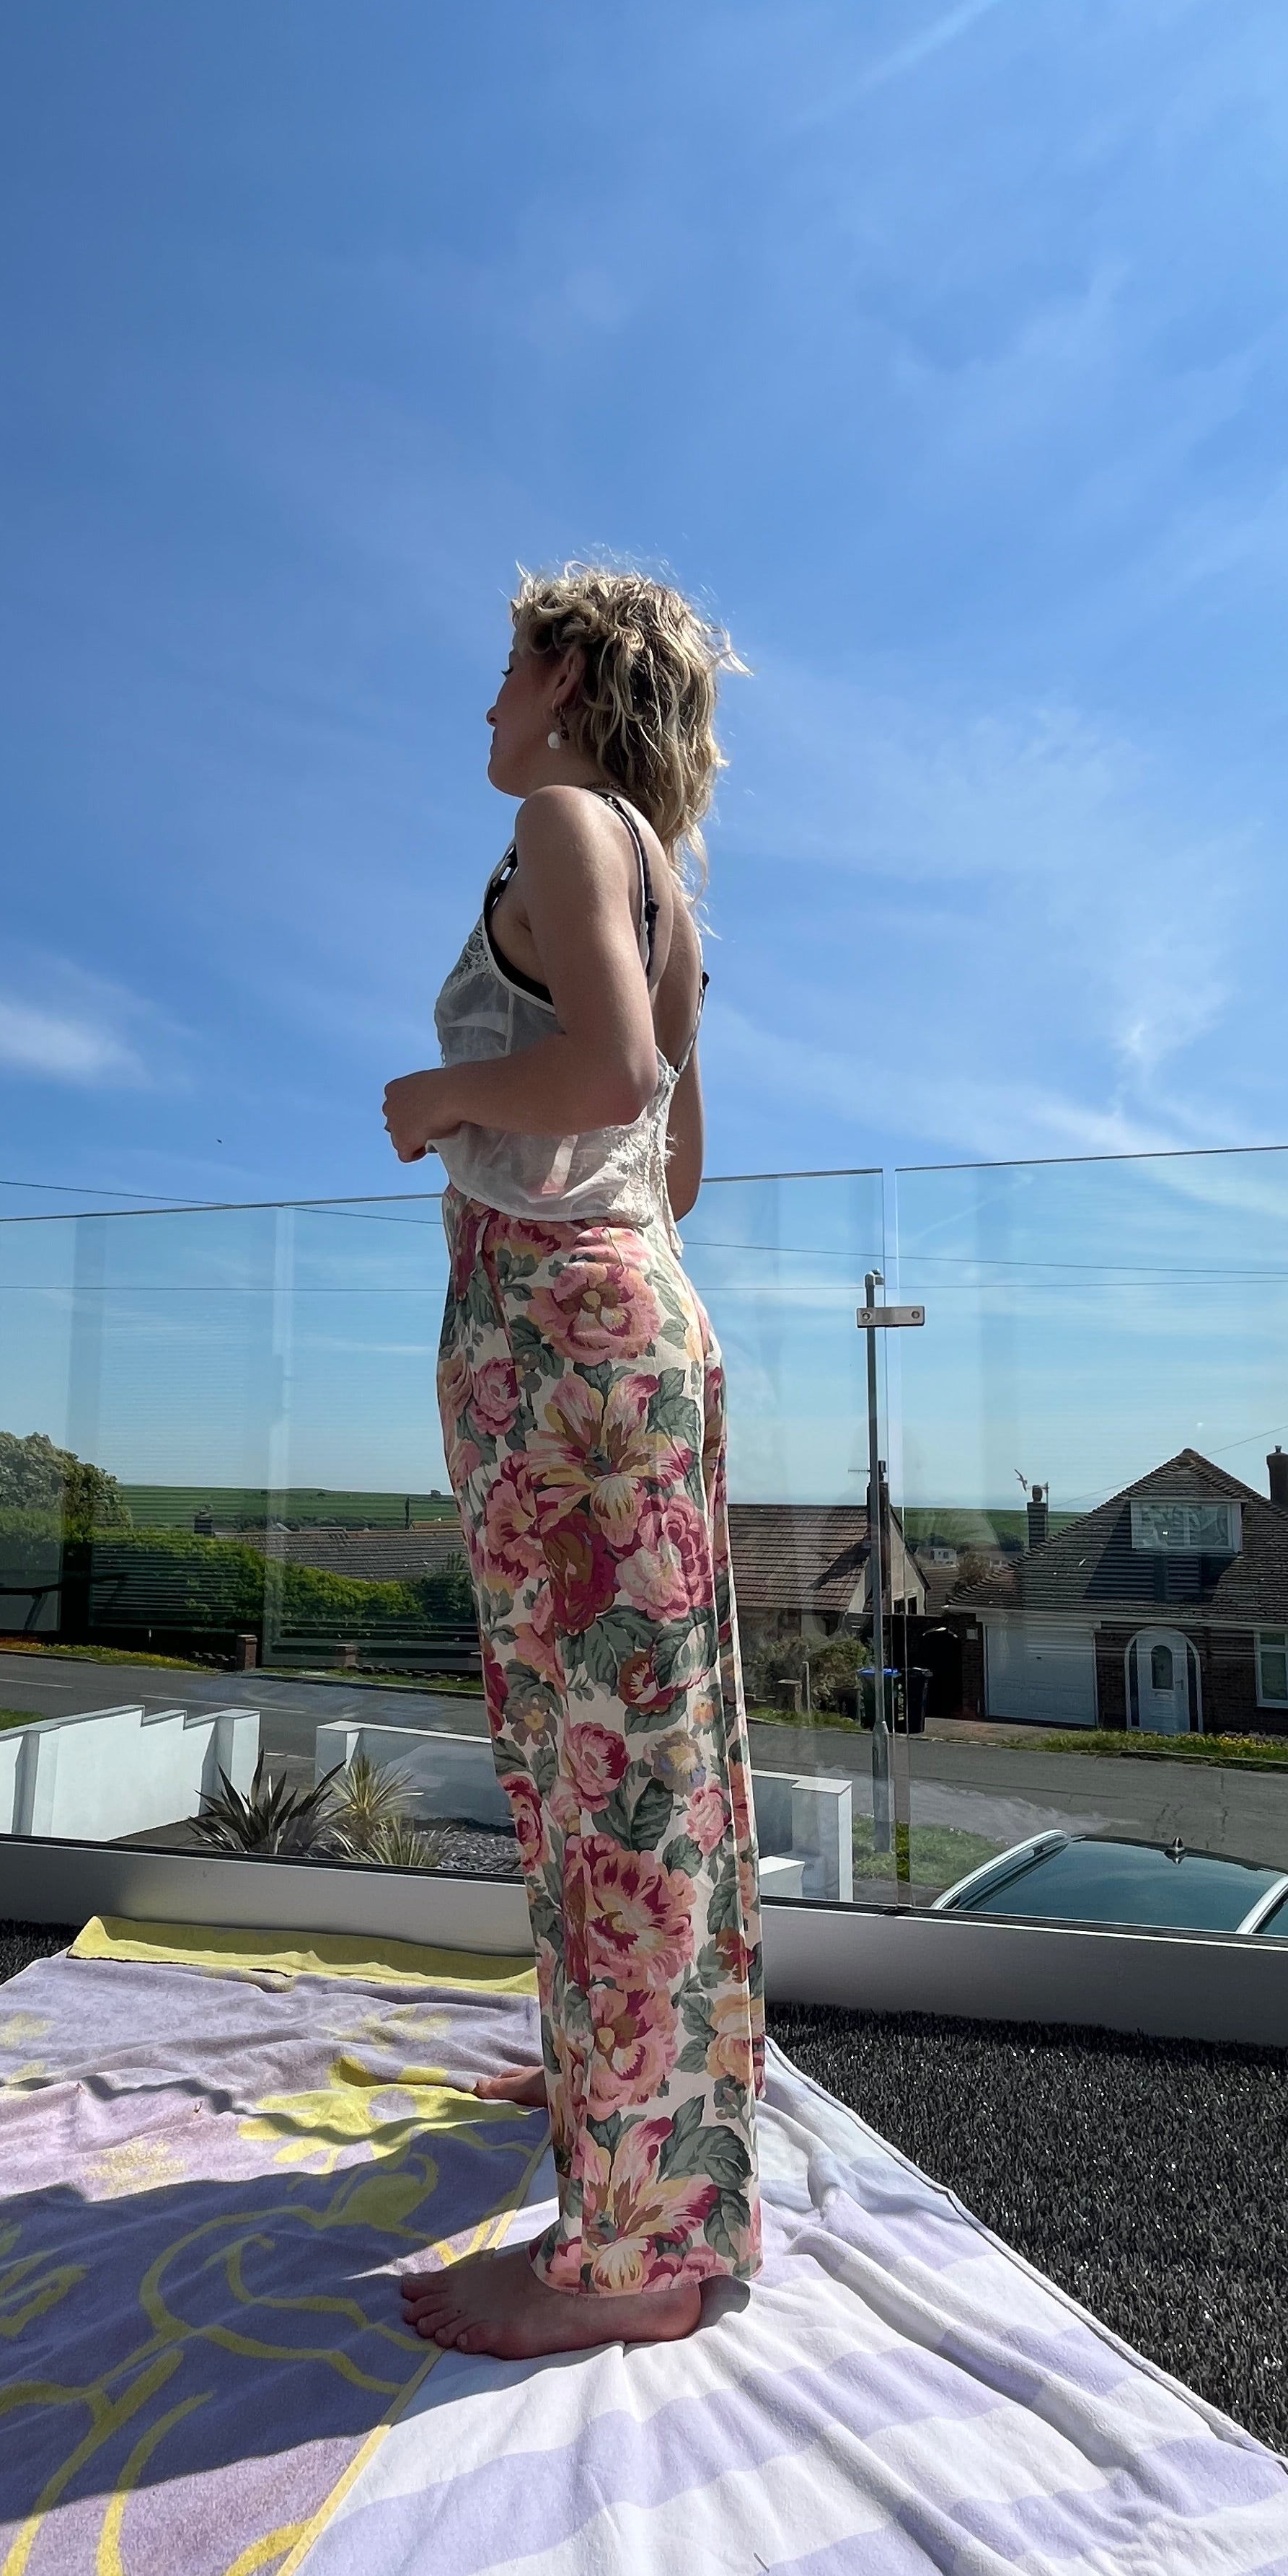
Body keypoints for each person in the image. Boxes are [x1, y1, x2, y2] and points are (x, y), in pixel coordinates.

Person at [383, 563, 763, 2360]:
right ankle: (645, 2165)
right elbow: (675, 1166)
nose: (483, 703)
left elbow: (606, 1078)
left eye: (502, 667)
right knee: (652, 1783)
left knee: (592, 1788)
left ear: (566, 677)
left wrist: (438, 1099)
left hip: (556, 1339)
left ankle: (620, 2263)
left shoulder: (557, 821)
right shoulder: (663, 876)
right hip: (643, 1323)